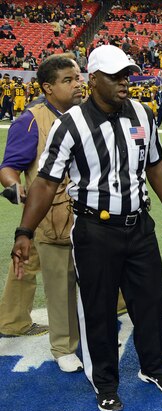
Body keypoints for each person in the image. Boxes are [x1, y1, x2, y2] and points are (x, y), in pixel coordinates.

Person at [10, 44, 162, 411]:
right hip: (94, 228)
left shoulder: (141, 112)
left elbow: (155, 163)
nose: (125, 83)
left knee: (150, 303)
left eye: (127, 75)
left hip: (139, 224)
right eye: (116, 77)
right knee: (98, 309)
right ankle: (104, 381)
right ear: (94, 80)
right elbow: (44, 181)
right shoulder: (70, 123)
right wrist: (24, 231)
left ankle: (154, 367)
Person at [0, 54, 82, 369]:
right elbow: (10, 167)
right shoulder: (31, 120)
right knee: (32, 265)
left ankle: (11, 319)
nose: (78, 85)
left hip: (80, 211)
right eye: (68, 80)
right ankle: (14, 321)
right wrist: (14, 187)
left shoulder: (85, 113)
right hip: (47, 214)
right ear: (48, 87)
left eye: (78, 78)